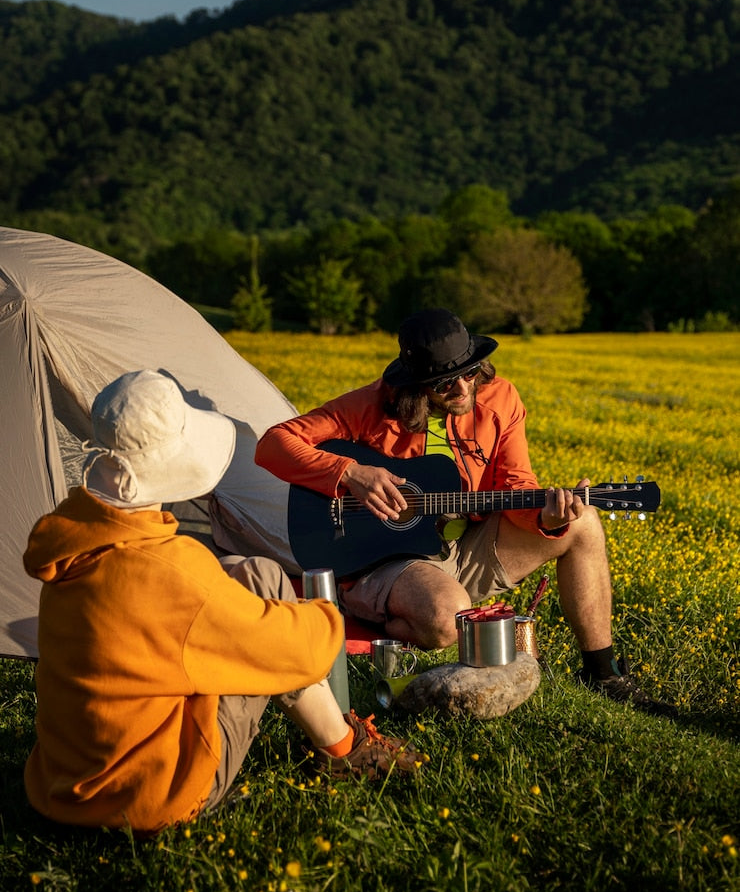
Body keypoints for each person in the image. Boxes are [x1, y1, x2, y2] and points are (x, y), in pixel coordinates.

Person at [23, 370, 422, 837]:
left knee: (258, 575)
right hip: (150, 799)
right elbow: (302, 653)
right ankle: (343, 750)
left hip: (62, 788)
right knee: (272, 630)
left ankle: (337, 740)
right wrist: (325, 613)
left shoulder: (73, 543)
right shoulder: (173, 573)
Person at [254, 308, 676, 717]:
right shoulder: (367, 407)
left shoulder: (502, 399)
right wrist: (350, 472)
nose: (461, 389)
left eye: (469, 373)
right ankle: (390, 614)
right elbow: (272, 444)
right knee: (445, 621)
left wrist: (548, 521)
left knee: (582, 523)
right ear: (416, 386)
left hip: (464, 546)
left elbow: (517, 487)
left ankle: (602, 674)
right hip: (386, 559)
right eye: (443, 384)